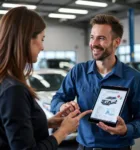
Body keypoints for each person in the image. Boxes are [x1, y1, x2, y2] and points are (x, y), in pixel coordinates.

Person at [51, 14, 140, 150]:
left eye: (101, 38)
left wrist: (127, 129)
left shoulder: (133, 78)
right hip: (84, 147)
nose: (94, 43)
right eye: (92, 37)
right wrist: (62, 107)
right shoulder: (78, 72)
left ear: (116, 42)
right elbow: (57, 99)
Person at [0, 7, 92, 150]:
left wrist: (48, 123)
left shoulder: (6, 81)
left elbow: (13, 129)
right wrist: (63, 131)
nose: (43, 47)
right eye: (41, 39)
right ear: (26, 38)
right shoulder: (14, 90)